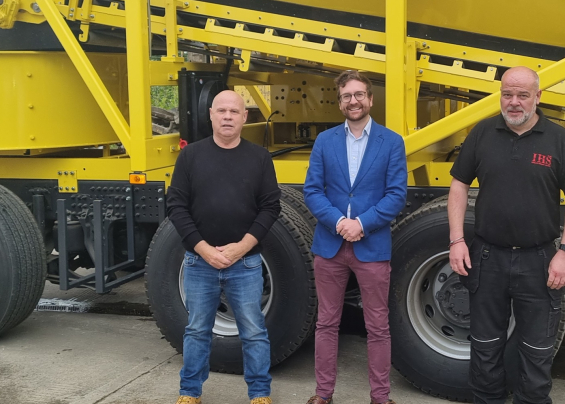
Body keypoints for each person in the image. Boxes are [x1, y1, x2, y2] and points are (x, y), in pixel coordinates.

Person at [447, 66, 565, 404]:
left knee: (537, 353)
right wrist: (456, 240)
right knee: (484, 350)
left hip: (539, 261)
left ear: (538, 97)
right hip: (487, 258)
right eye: (507, 94)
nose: (514, 102)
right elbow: (458, 185)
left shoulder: (557, 139)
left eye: (522, 95)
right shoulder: (482, 133)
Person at [166, 90, 281, 404]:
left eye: (234, 111)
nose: (228, 116)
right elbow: (176, 206)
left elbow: (271, 208)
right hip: (199, 263)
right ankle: (190, 393)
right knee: (196, 331)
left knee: (254, 330)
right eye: (222, 111)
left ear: (245, 117)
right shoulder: (190, 157)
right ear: (211, 115)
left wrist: (239, 249)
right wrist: (203, 249)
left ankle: (259, 394)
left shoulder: (259, 158)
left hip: (245, 264)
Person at [303, 70, 408, 404]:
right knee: (326, 323)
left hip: (372, 246)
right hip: (330, 247)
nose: (354, 101)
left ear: (371, 99)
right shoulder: (325, 141)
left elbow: (396, 195)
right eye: (347, 95)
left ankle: (380, 397)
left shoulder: (391, 142)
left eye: (359, 94)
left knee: (377, 326)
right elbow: (312, 191)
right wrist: (338, 222)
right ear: (340, 102)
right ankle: (323, 395)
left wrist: (362, 224)